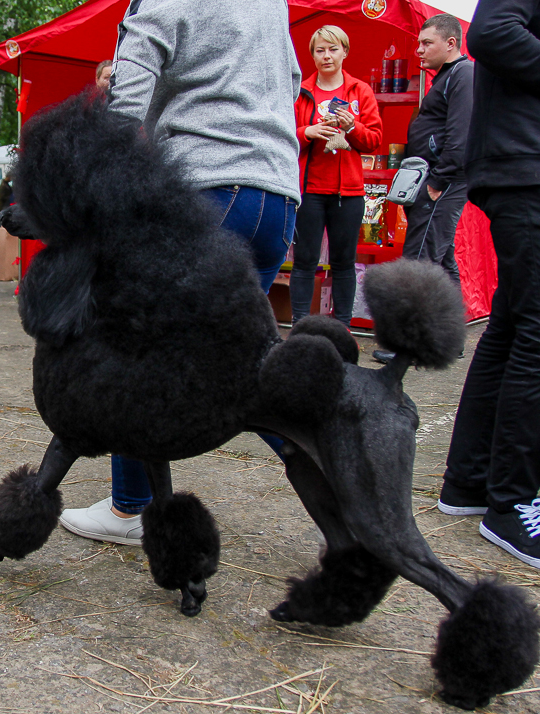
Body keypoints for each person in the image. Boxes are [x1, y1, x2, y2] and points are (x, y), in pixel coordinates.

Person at [58, 0, 302, 544]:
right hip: (278, 196)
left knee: (132, 346)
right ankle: (333, 459)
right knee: (242, 364)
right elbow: (293, 77)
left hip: (205, 190)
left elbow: (124, 104)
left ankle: (131, 506)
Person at [437, 0, 540, 569]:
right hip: (525, 165)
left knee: (511, 326)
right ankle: (514, 502)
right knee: (534, 332)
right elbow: (495, 31)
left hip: (518, 161)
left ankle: (472, 483)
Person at [373, 14, 473, 365]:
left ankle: (406, 347)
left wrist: (437, 183)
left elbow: (460, 135)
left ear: (450, 43)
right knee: (442, 262)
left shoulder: (463, 74)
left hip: (440, 182)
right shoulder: (446, 77)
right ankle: (452, 340)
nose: (418, 50)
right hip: (431, 179)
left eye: (426, 43)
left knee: (419, 264)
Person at [290, 25, 382, 327]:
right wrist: (308, 132)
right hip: (310, 191)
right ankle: (301, 326)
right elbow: (286, 135)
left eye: (332, 49)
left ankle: (342, 328)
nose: (326, 56)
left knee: (344, 263)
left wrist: (352, 127)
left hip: (349, 193)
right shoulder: (302, 91)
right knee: (304, 262)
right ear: (312, 55)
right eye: (319, 50)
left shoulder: (360, 91)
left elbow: (375, 139)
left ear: (345, 51)